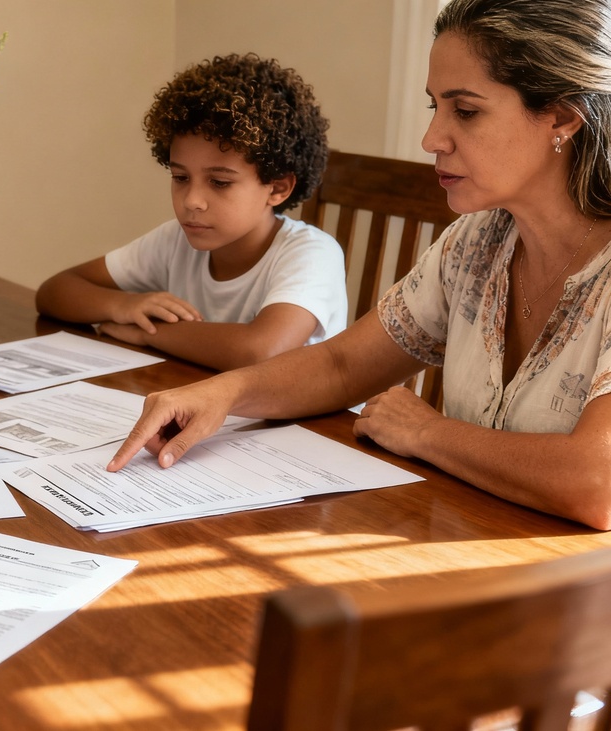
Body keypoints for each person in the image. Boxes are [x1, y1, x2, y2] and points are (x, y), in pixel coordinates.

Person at [111, 0, 611, 530]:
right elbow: (342, 366)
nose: (431, 140)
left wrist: (427, 432)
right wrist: (220, 394)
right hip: (470, 551)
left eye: (465, 111)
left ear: (561, 117)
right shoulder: (477, 242)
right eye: (433, 108)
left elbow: (598, 483)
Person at [35, 53, 346, 371]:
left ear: (277, 188)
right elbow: (54, 292)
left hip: (303, 421)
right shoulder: (175, 240)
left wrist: (150, 333)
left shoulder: (312, 253)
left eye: (220, 182)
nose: (192, 201)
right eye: (181, 178)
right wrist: (124, 305)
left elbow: (261, 352)